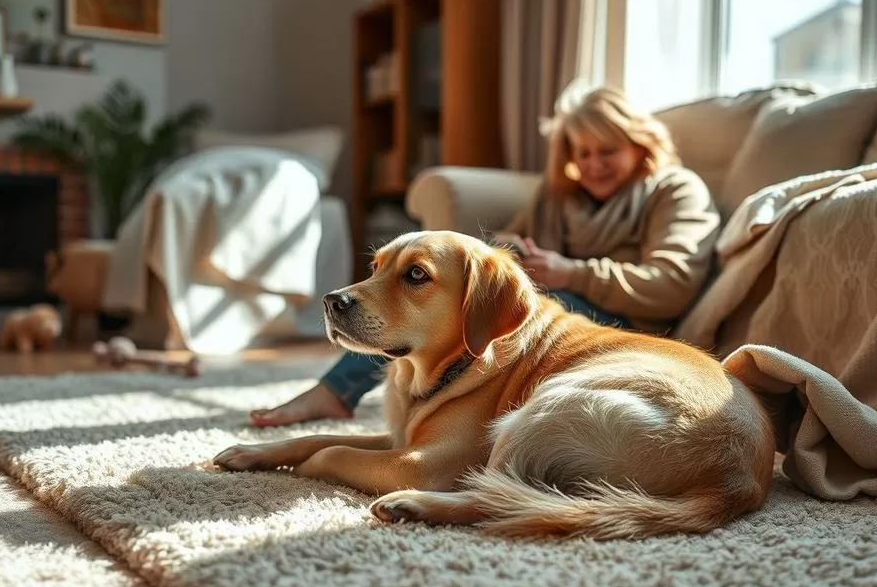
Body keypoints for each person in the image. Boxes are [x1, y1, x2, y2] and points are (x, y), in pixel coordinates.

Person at [250, 82, 721, 427]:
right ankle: (349, 393)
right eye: (584, 153)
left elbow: (672, 284)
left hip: (630, 337)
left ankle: (343, 393)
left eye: (609, 151)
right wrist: (499, 253)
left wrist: (572, 273)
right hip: (561, 304)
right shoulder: (562, 196)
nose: (594, 165)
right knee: (432, 296)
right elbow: (508, 244)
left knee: (485, 303)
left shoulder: (676, 191)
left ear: (640, 144)